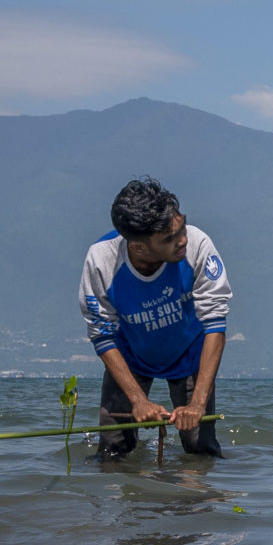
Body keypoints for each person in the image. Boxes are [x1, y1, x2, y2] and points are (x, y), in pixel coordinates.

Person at [82, 177, 231, 458]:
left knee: (201, 451)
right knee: (113, 451)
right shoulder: (101, 260)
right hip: (131, 356)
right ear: (138, 248)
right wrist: (138, 400)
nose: (182, 240)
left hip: (189, 354)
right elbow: (102, 334)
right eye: (169, 239)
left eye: (182, 227)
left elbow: (215, 324)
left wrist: (198, 404)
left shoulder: (198, 246)